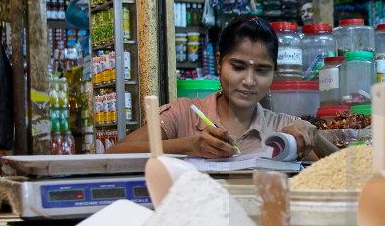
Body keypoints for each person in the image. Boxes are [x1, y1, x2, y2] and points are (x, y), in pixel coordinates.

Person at [108, 16, 319, 158]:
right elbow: (115, 153)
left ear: (274, 72)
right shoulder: (183, 115)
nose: (249, 80)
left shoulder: (283, 129)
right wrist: (189, 146)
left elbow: (341, 171)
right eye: (238, 67)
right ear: (219, 63)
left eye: (262, 71)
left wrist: (314, 137)